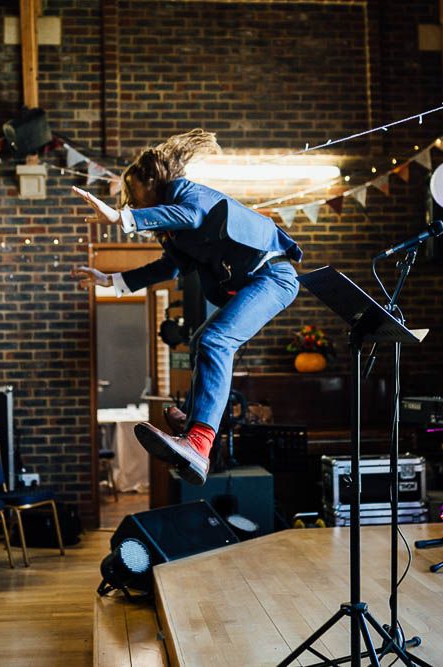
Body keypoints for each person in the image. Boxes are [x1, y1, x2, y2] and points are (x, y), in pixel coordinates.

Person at [71, 128, 301, 485]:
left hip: (273, 276)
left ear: (152, 181)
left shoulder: (185, 193)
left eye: (133, 192)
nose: (130, 200)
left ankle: (198, 442)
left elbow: (192, 216)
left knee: (216, 342)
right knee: (201, 340)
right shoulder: (176, 233)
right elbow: (169, 267)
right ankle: (195, 419)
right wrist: (113, 281)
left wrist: (123, 220)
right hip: (255, 280)